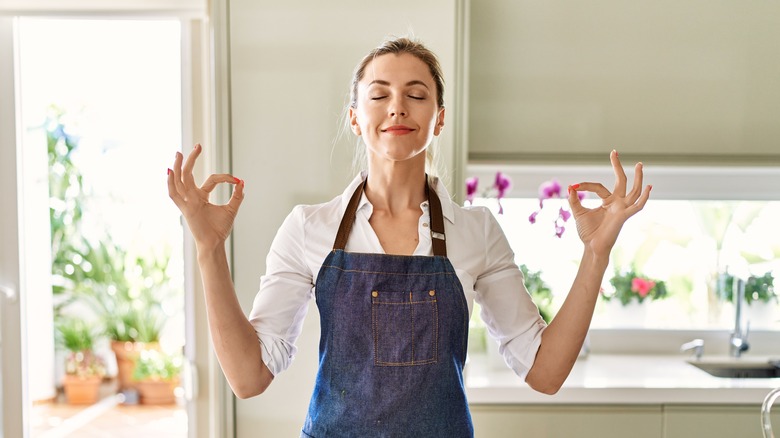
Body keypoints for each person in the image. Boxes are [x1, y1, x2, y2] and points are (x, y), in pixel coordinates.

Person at [167, 36, 651, 437]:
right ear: (355, 117)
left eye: (416, 94)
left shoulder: (476, 231)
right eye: (379, 95)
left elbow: (544, 373)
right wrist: (209, 250)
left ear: (439, 117)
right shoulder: (307, 228)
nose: (397, 106)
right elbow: (249, 377)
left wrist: (595, 254)